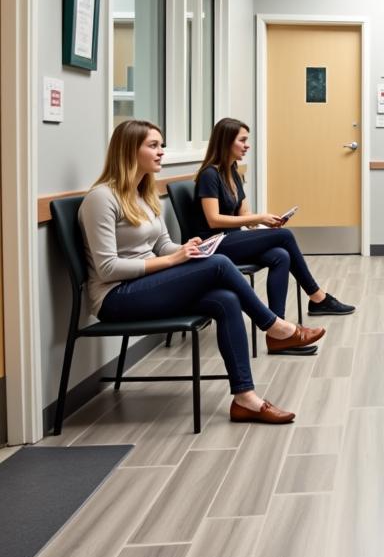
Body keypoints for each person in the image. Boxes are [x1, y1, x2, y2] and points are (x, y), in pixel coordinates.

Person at [79, 120, 325, 424]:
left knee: (225, 299)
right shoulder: (101, 198)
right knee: (219, 263)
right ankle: (274, 326)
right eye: (153, 146)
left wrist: (187, 248)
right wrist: (173, 261)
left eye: (162, 145)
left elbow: (163, 245)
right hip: (115, 297)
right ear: (129, 150)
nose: (161, 152)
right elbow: (107, 268)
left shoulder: (144, 195)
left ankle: (245, 399)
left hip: (146, 284)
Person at [195, 118, 354, 319]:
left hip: (232, 240)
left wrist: (265, 221)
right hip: (213, 244)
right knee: (285, 235)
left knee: (281, 255)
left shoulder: (233, 172)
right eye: (242, 140)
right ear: (226, 142)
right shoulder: (210, 175)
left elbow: (244, 215)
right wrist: (260, 217)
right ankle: (318, 297)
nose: (247, 145)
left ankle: (277, 325)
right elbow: (213, 220)